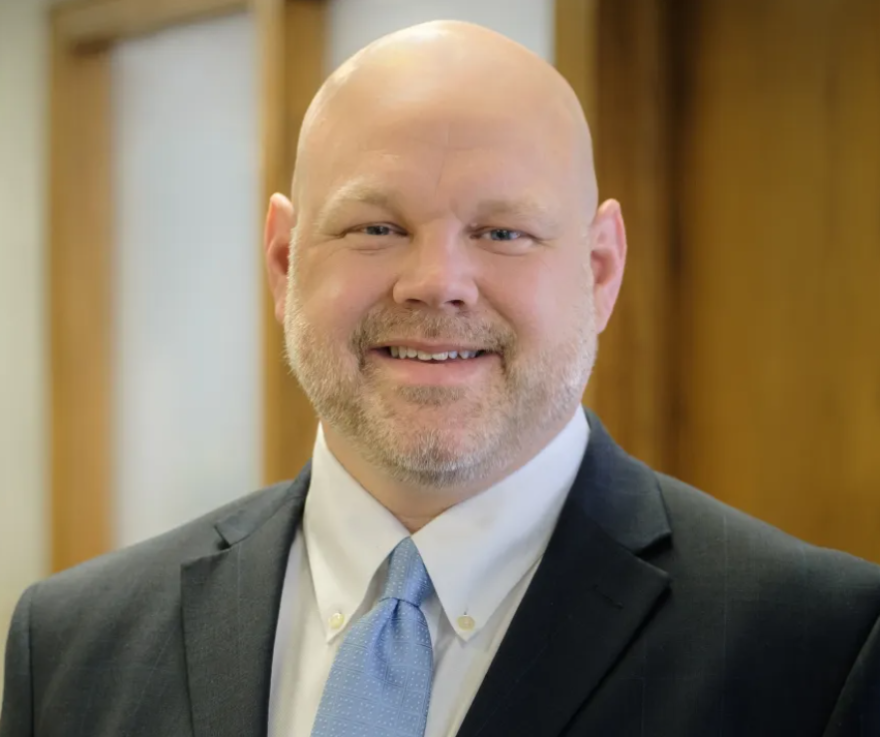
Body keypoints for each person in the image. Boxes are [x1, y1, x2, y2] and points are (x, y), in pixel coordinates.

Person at [2, 20, 879, 737]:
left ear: (601, 270)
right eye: (376, 227)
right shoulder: (75, 647)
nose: (436, 281)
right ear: (281, 261)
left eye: (503, 232)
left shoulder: (818, 649)